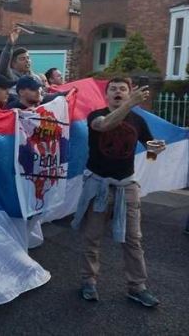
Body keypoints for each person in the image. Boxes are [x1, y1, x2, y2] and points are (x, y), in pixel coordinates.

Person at [71, 77, 164, 307]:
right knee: (92, 238)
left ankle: (137, 287)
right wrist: (130, 103)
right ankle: (88, 282)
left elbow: (150, 151)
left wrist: (156, 150)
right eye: (113, 89)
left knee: (133, 240)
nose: (118, 92)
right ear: (106, 95)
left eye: (123, 89)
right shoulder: (95, 115)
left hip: (127, 186)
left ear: (128, 92)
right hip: (98, 185)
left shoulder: (138, 121)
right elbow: (104, 126)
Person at [0, 26, 42, 95]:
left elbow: (43, 95)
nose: (27, 61)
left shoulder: (36, 78)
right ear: (13, 64)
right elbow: (3, 66)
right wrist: (9, 45)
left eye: (28, 58)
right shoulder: (11, 76)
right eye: (22, 59)